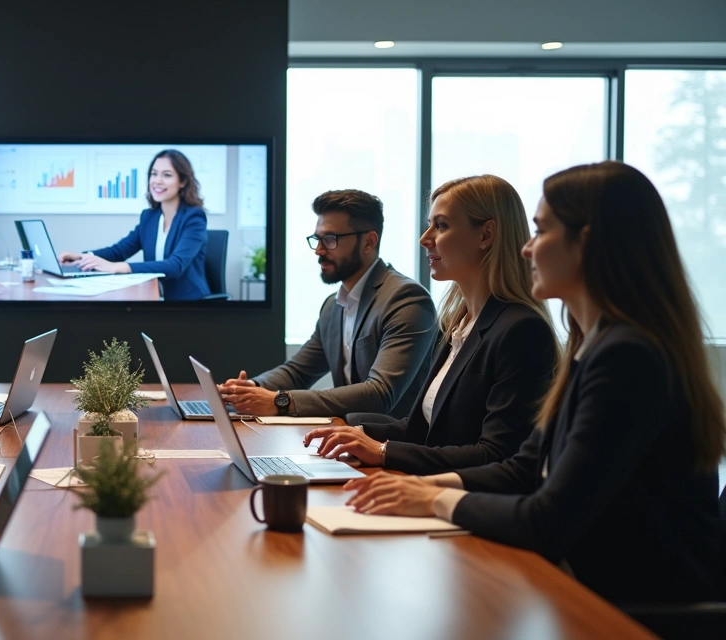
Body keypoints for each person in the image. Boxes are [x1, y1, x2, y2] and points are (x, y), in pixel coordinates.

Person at [344, 161, 724, 604]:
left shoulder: (628, 357)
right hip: (585, 585)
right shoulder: (596, 345)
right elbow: (524, 467)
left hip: (630, 609)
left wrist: (431, 500)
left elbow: (547, 518)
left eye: (541, 232)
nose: (526, 249)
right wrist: (424, 487)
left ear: (586, 244)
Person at [301, 176, 557, 475]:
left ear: (486, 234)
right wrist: (352, 432)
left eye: (441, 225)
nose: (425, 238)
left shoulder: (521, 330)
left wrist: (382, 451)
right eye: (429, 224)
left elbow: (498, 455)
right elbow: (422, 428)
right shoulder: (458, 322)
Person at [221, 189, 437, 418]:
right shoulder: (333, 306)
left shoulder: (406, 299)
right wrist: (250, 389)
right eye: (317, 239)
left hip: (392, 446)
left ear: (369, 242)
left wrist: (281, 401)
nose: (319, 251)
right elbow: (297, 372)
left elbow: (380, 393)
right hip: (346, 438)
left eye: (330, 240)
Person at [57, 149, 210, 301]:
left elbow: (176, 265)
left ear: (182, 181)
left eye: (167, 175)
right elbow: (119, 251)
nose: (157, 180)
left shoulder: (194, 218)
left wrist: (117, 267)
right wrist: (82, 257)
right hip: (154, 296)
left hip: (188, 302)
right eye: (154, 173)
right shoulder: (149, 217)